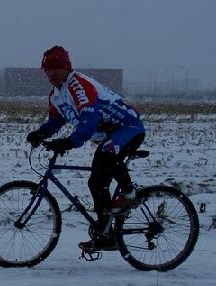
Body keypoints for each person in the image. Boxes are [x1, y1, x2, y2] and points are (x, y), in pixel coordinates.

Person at [26, 46, 146, 254]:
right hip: (110, 133)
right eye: (47, 69)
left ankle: (130, 194)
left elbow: (88, 122)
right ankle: (106, 233)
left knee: (107, 155)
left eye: (56, 67)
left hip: (128, 128)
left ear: (66, 68)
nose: (51, 73)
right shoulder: (56, 93)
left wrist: (70, 142)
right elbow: (57, 120)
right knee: (96, 182)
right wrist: (41, 133)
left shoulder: (78, 85)